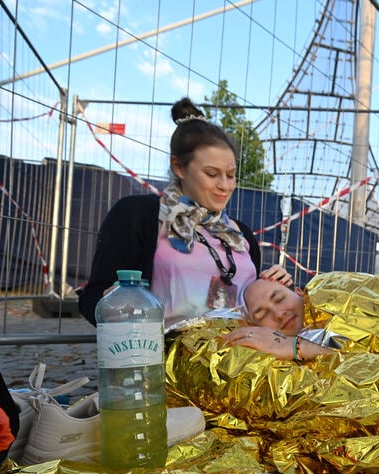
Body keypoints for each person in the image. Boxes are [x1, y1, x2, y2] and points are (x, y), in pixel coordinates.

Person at [78, 97, 291, 327]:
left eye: (230, 174)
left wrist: (272, 285)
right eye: (211, 174)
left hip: (237, 359)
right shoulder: (140, 216)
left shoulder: (240, 235)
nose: (225, 185)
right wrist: (113, 308)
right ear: (178, 167)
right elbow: (92, 299)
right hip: (166, 358)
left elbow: (248, 308)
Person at [222, 278, 337, 361]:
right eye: (263, 314)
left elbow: (352, 352)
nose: (278, 314)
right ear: (255, 328)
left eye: (280, 299)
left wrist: (294, 346)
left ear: (299, 292)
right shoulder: (269, 368)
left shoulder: (338, 304)